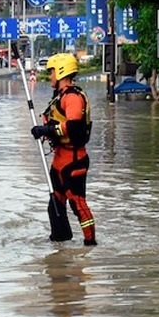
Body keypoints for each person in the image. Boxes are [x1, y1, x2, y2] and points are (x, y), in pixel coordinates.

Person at [30, 53, 96, 246]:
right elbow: (57, 123)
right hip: (59, 160)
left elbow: (74, 126)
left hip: (73, 160)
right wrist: (44, 129)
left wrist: (47, 129)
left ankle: (90, 244)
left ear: (60, 71)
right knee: (55, 205)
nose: (50, 76)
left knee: (78, 204)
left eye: (51, 72)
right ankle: (60, 243)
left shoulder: (73, 97)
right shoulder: (59, 97)